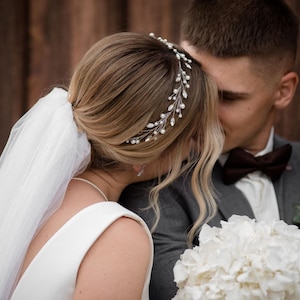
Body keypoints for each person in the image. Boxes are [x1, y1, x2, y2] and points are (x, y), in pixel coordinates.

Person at [0, 32, 223, 300]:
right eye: (191, 136)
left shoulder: (29, 197)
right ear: (145, 152)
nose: (192, 151)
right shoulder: (118, 237)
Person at [119, 1, 300, 299]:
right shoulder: (155, 181)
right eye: (195, 87)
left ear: (283, 91)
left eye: (227, 98)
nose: (201, 110)